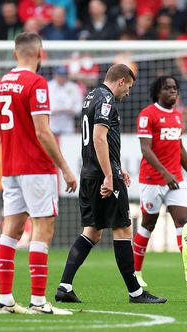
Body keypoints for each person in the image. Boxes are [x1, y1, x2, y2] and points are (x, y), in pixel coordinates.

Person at [54, 64, 167, 304]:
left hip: (88, 173)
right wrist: (109, 175)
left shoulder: (91, 96)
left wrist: (116, 167)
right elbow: (98, 137)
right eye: (129, 87)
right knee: (123, 229)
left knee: (92, 232)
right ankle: (136, 292)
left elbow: (99, 139)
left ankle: (64, 286)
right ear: (122, 81)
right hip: (102, 175)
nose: (128, 93)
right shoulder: (107, 99)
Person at [0, 31, 77, 315]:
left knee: (10, 230)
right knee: (43, 228)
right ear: (41, 54)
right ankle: (38, 301)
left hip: (9, 169)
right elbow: (42, 131)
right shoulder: (36, 83)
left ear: (14, 54)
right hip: (36, 168)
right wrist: (65, 167)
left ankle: (6, 300)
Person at [133, 75, 187, 287]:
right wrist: (164, 173)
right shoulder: (147, 115)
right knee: (148, 225)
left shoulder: (178, 117)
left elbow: (179, 148)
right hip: (152, 179)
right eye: (167, 88)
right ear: (157, 92)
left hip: (176, 180)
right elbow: (145, 149)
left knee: (183, 223)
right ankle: (135, 272)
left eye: (175, 88)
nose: (173, 91)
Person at [48, 66, 83, 135]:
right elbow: (44, 104)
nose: (62, 78)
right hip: (52, 125)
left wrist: (73, 110)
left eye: (64, 75)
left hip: (68, 126)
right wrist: (52, 110)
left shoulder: (73, 87)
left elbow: (79, 105)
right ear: (55, 75)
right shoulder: (48, 86)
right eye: (60, 75)